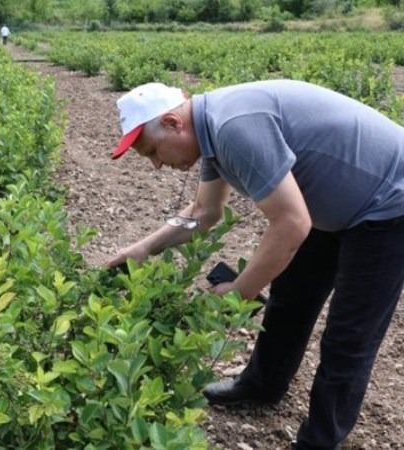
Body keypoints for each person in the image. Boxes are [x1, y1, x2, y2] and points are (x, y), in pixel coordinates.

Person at [105, 80, 404, 450]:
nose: (155, 165)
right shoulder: (211, 132)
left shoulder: (233, 127)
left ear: (172, 123)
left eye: (151, 151)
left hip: (389, 204)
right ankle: (261, 386)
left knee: (349, 337)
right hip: (331, 203)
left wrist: (239, 292)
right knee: (290, 298)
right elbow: (204, 211)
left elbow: (292, 224)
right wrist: (143, 248)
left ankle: (320, 442)